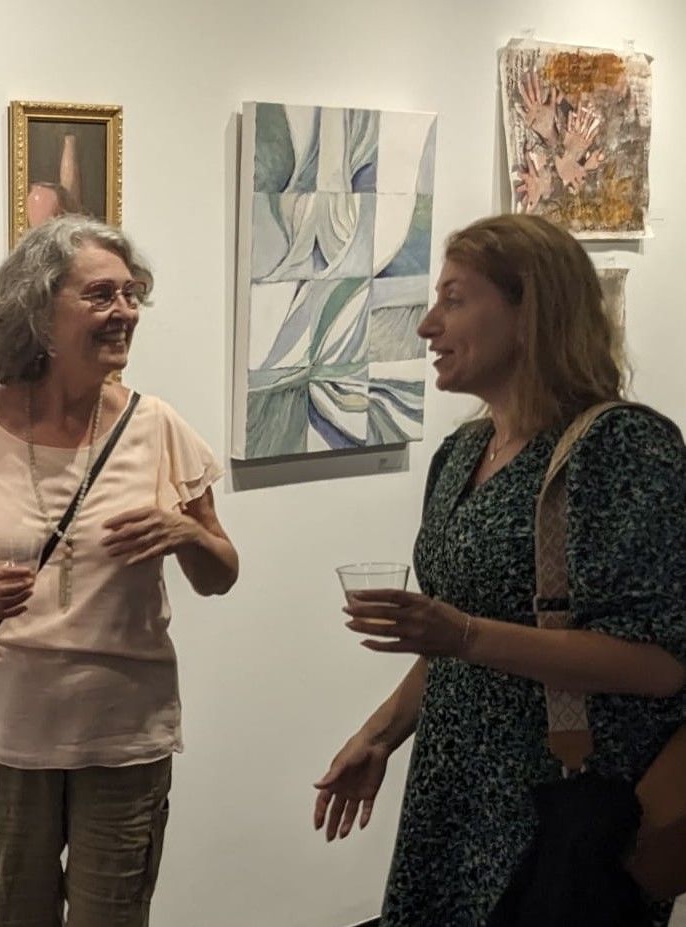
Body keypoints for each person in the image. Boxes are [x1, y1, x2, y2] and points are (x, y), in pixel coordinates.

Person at [313, 213, 686, 926]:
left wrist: (463, 635)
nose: (427, 325)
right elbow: (452, 637)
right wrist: (381, 733)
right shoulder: (461, 454)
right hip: (453, 799)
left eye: (453, 300)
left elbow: (660, 664)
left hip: (560, 810)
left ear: (529, 313)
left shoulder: (621, 448)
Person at [0, 215, 240, 926]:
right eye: (101, 295)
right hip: (6, 734)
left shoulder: (158, 426)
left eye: (131, 293)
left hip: (123, 734)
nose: (125, 311)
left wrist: (185, 533)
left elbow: (220, 573)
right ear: (39, 311)